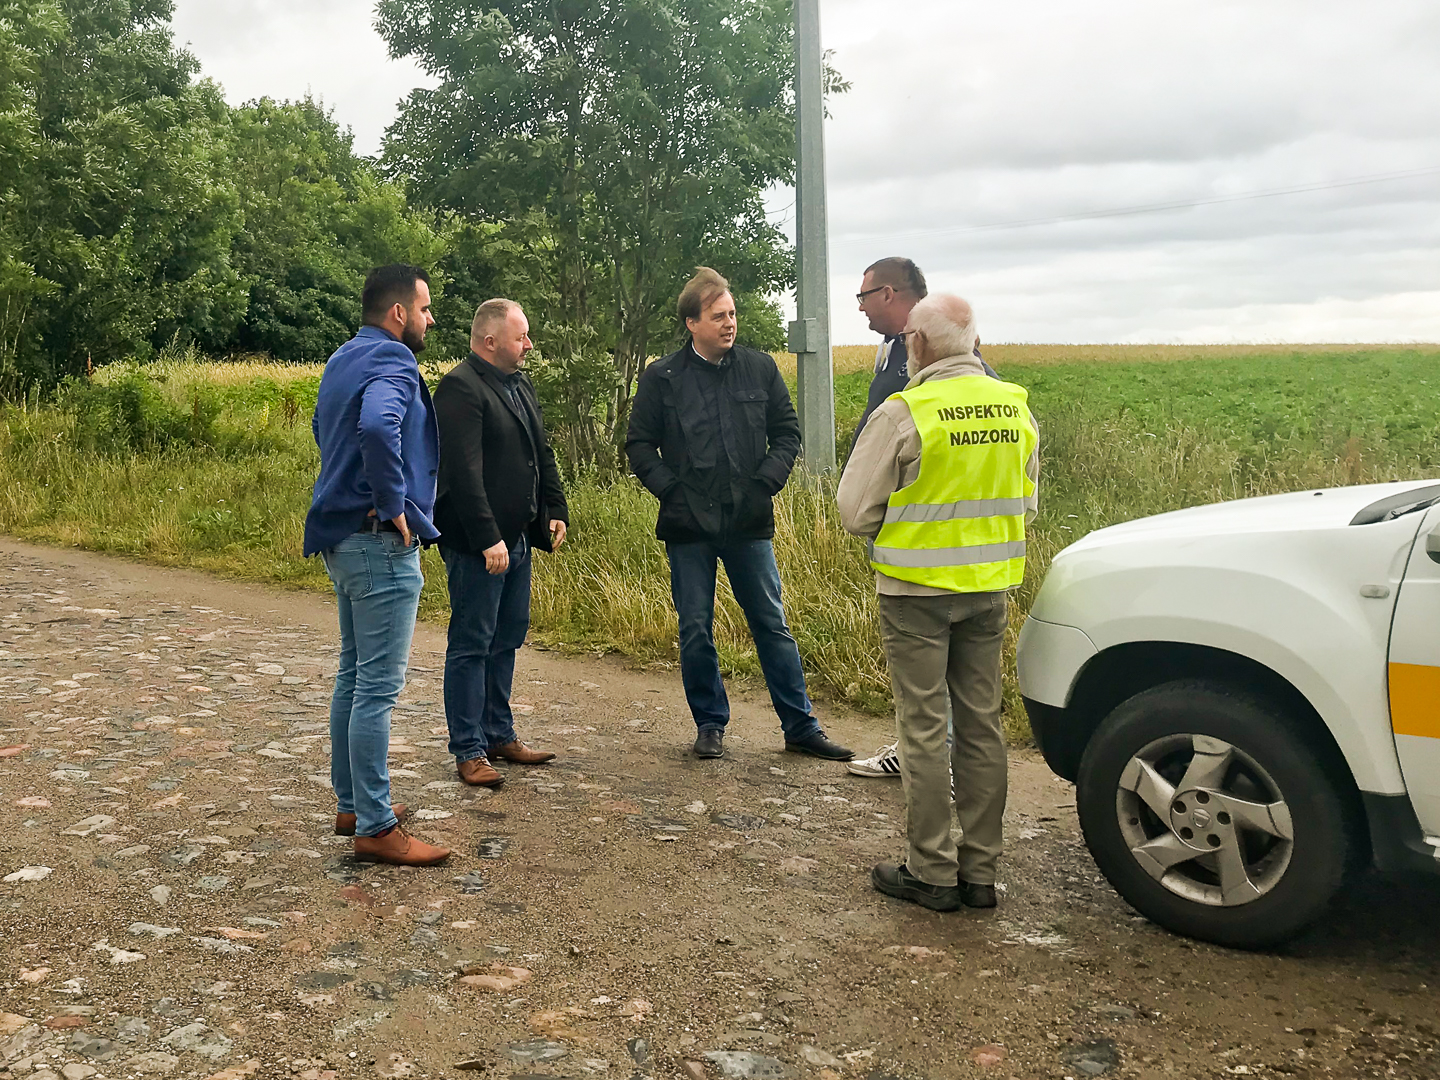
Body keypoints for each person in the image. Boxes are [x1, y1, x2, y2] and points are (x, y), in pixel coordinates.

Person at [837, 294, 1038, 912]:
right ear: (973, 342)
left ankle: (931, 870)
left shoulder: (906, 412)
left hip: (915, 595)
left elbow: (854, 510)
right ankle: (980, 873)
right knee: (981, 726)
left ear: (918, 345)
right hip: (988, 591)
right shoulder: (1015, 408)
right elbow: (1026, 505)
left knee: (923, 728)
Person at [626, 267, 853, 763]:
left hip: (748, 520)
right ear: (692, 323)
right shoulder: (663, 377)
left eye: (732, 314)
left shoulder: (760, 368)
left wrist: (765, 483)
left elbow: (787, 433)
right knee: (695, 627)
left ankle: (801, 727)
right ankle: (710, 724)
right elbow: (639, 445)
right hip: (689, 524)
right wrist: (671, 492)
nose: (729, 323)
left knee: (771, 622)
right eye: (718, 316)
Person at [303, 264, 450, 867]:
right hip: (377, 543)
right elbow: (375, 425)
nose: (430, 320)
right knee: (377, 688)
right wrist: (393, 504)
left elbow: (325, 427)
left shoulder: (344, 358)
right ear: (399, 313)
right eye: (425, 308)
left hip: (342, 536)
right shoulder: (394, 360)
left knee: (353, 675)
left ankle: (353, 805)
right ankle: (376, 826)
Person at [847, 256, 997, 781]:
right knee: (929, 682)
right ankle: (926, 756)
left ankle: (935, 769)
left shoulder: (947, 350)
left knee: (938, 683)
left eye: (864, 297)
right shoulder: (893, 350)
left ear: (890, 294)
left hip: (944, 546)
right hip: (911, 533)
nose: (861, 309)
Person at [432, 299, 569, 788]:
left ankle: (498, 734)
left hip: (519, 535)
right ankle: (468, 749)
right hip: (479, 544)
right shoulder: (459, 388)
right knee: (472, 642)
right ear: (490, 342)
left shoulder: (519, 384)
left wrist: (555, 507)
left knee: (508, 635)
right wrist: (488, 537)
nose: (529, 344)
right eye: (521, 336)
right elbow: (462, 473)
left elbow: (540, 450)